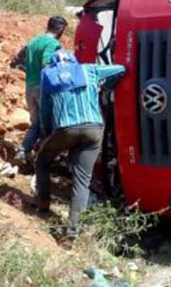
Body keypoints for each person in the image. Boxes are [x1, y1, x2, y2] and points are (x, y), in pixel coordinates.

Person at [36, 49, 125, 244]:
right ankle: (71, 233)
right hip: (93, 129)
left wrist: (47, 132)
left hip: (65, 129)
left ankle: (43, 204)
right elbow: (120, 69)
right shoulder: (89, 70)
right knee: (82, 180)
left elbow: (45, 107)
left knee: (42, 160)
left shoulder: (48, 75)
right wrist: (106, 87)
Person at [14, 16, 68, 164]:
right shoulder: (52, 43)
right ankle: (49, 158)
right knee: (51, 123)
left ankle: (23, 150)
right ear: (60, 29)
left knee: (36, 123)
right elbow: (46, 63)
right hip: (43, 88)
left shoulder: (33, 41)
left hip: (30, 87)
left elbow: (18, 61)